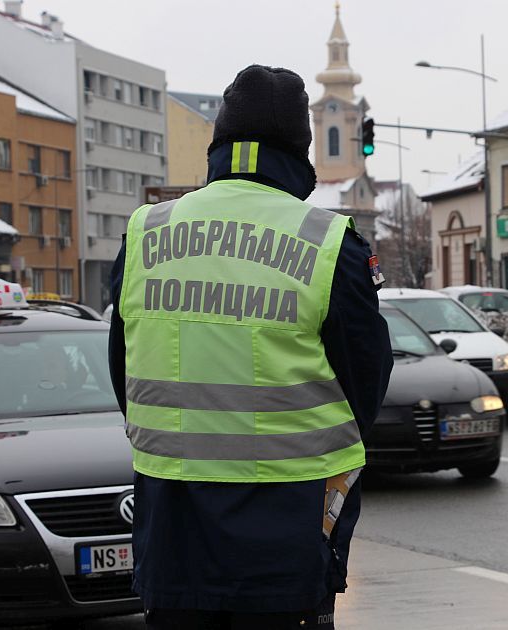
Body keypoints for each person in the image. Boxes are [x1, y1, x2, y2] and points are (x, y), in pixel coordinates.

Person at [108, 64, 393, 629]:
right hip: (286, 538)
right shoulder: (327, 241)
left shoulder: (146, 233)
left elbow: (124, 367)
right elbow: (366, 380)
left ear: (219, 142)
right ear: (298, 147)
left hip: (174, 529)